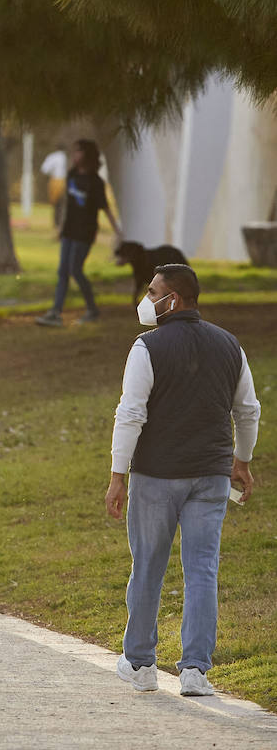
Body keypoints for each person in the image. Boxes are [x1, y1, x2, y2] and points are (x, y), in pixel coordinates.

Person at [106, 264, 259, 697]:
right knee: (202, 569)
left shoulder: (147, 347)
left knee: (149, 567)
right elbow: (248, 410)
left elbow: (131, 413)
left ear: (172, 300)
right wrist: (242, 461)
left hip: (157, 476)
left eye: (152, 291)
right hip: (211, 476)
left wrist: (118, 476)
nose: (146, 298)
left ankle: (140, 663)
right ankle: (195, 670)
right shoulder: (230, 345)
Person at [36, 139, 123, 327]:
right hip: (69, 231)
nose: (74, 156)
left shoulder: (96, 182)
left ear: (88, 155)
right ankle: (55, 313)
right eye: (73, 152)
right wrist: (61, 227)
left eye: (78, 152)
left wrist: (117, 231)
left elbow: (105, 208)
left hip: (85, 233)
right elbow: (69, 205)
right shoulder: (72, 175)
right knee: (62, 271)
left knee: (75, 270)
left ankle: (92, 309)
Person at [41, 144, 69, 226]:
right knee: (64, 204)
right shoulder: (68, 157)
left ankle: (57, 224)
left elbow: (44, 169)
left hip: (56, 181)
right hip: (66, 181)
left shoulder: (53, 156)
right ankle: (62, 223)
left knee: (56, 204)